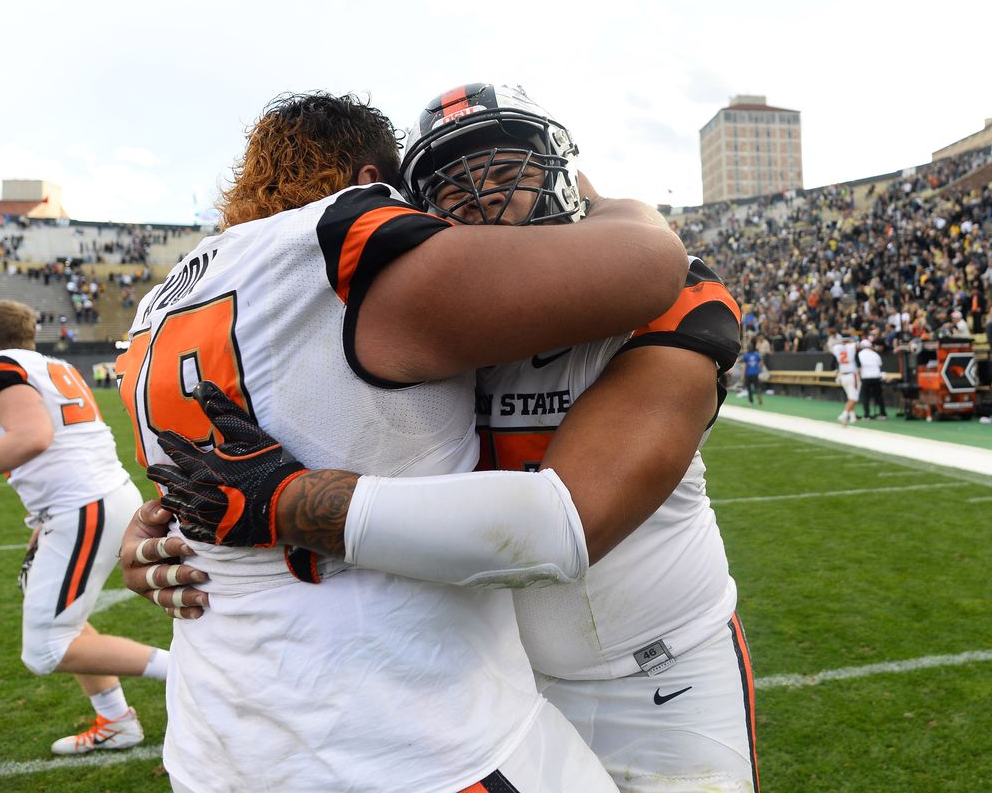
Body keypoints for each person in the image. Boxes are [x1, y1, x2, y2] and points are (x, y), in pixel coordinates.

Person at [128, 82, 757, 793]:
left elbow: (564, 525)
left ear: (559, 171)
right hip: (506, 679)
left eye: (504, 172)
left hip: (658, 668)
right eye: (455, 186)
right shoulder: (422, 310)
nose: (485, 201)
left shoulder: (668, 295)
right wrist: (165, 525)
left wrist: (288, 501)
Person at [0, 300, 168, 755]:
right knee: (60, 619)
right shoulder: (48, 363)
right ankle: (116, 721)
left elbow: (33, 437)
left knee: (47, 649)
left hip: (85, 505)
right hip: (92, 500)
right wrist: (43, 520)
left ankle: (192, 672)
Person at [856, 338, 888, 420]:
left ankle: (867, 415)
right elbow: (879, 365)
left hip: (865, 377)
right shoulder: (875, 354)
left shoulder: (859, 354)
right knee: (879, 396)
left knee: (866, 397)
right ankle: (883, 414)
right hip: (876, 377)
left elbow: (858, 367)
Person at [832, 334, 859, 425]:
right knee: (853, 397)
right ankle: (844, 414)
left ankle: (852, 416)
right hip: (851, 374)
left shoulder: (836, 348)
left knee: (850, 396)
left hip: (843, 375)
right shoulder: (851, 346)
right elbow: (858, 345)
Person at [741, 340, 765, 405]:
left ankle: (751, 402)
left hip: (748, 374)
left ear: (748, 348)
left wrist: (742, 376)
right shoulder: (756, 354)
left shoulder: (745, 355)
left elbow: (744, 366)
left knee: (749, 388)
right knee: (757, 386)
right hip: (755, 373)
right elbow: (761, 363)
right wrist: (759, 370)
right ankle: (758, 394)